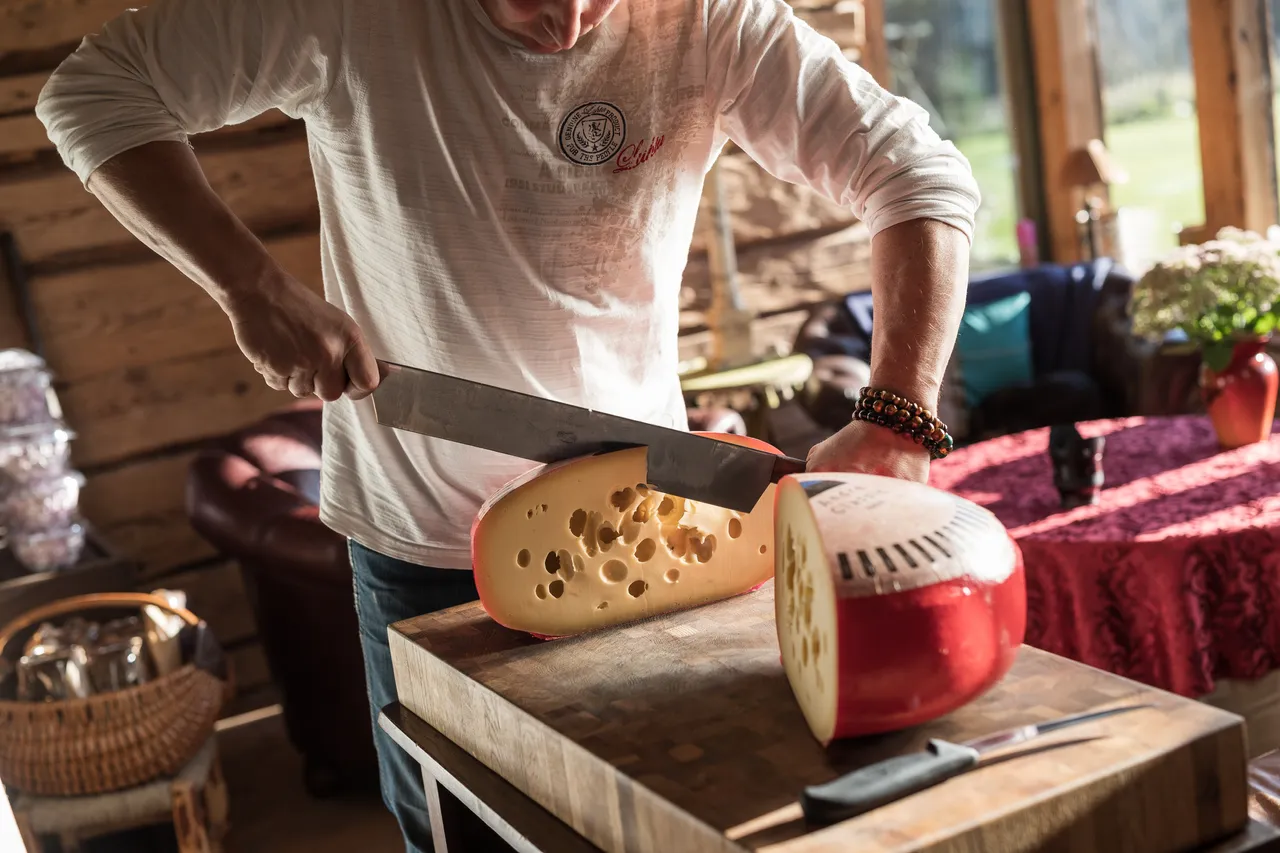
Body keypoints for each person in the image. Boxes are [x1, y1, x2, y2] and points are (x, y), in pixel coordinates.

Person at [36, 0, 980, 848]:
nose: (568, 23)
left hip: (654, 535)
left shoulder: (709, 17)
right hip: (423, 561)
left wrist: (897, 417)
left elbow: (917, 173)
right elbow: (93, 93)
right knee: (459, 830)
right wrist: (248, 284)